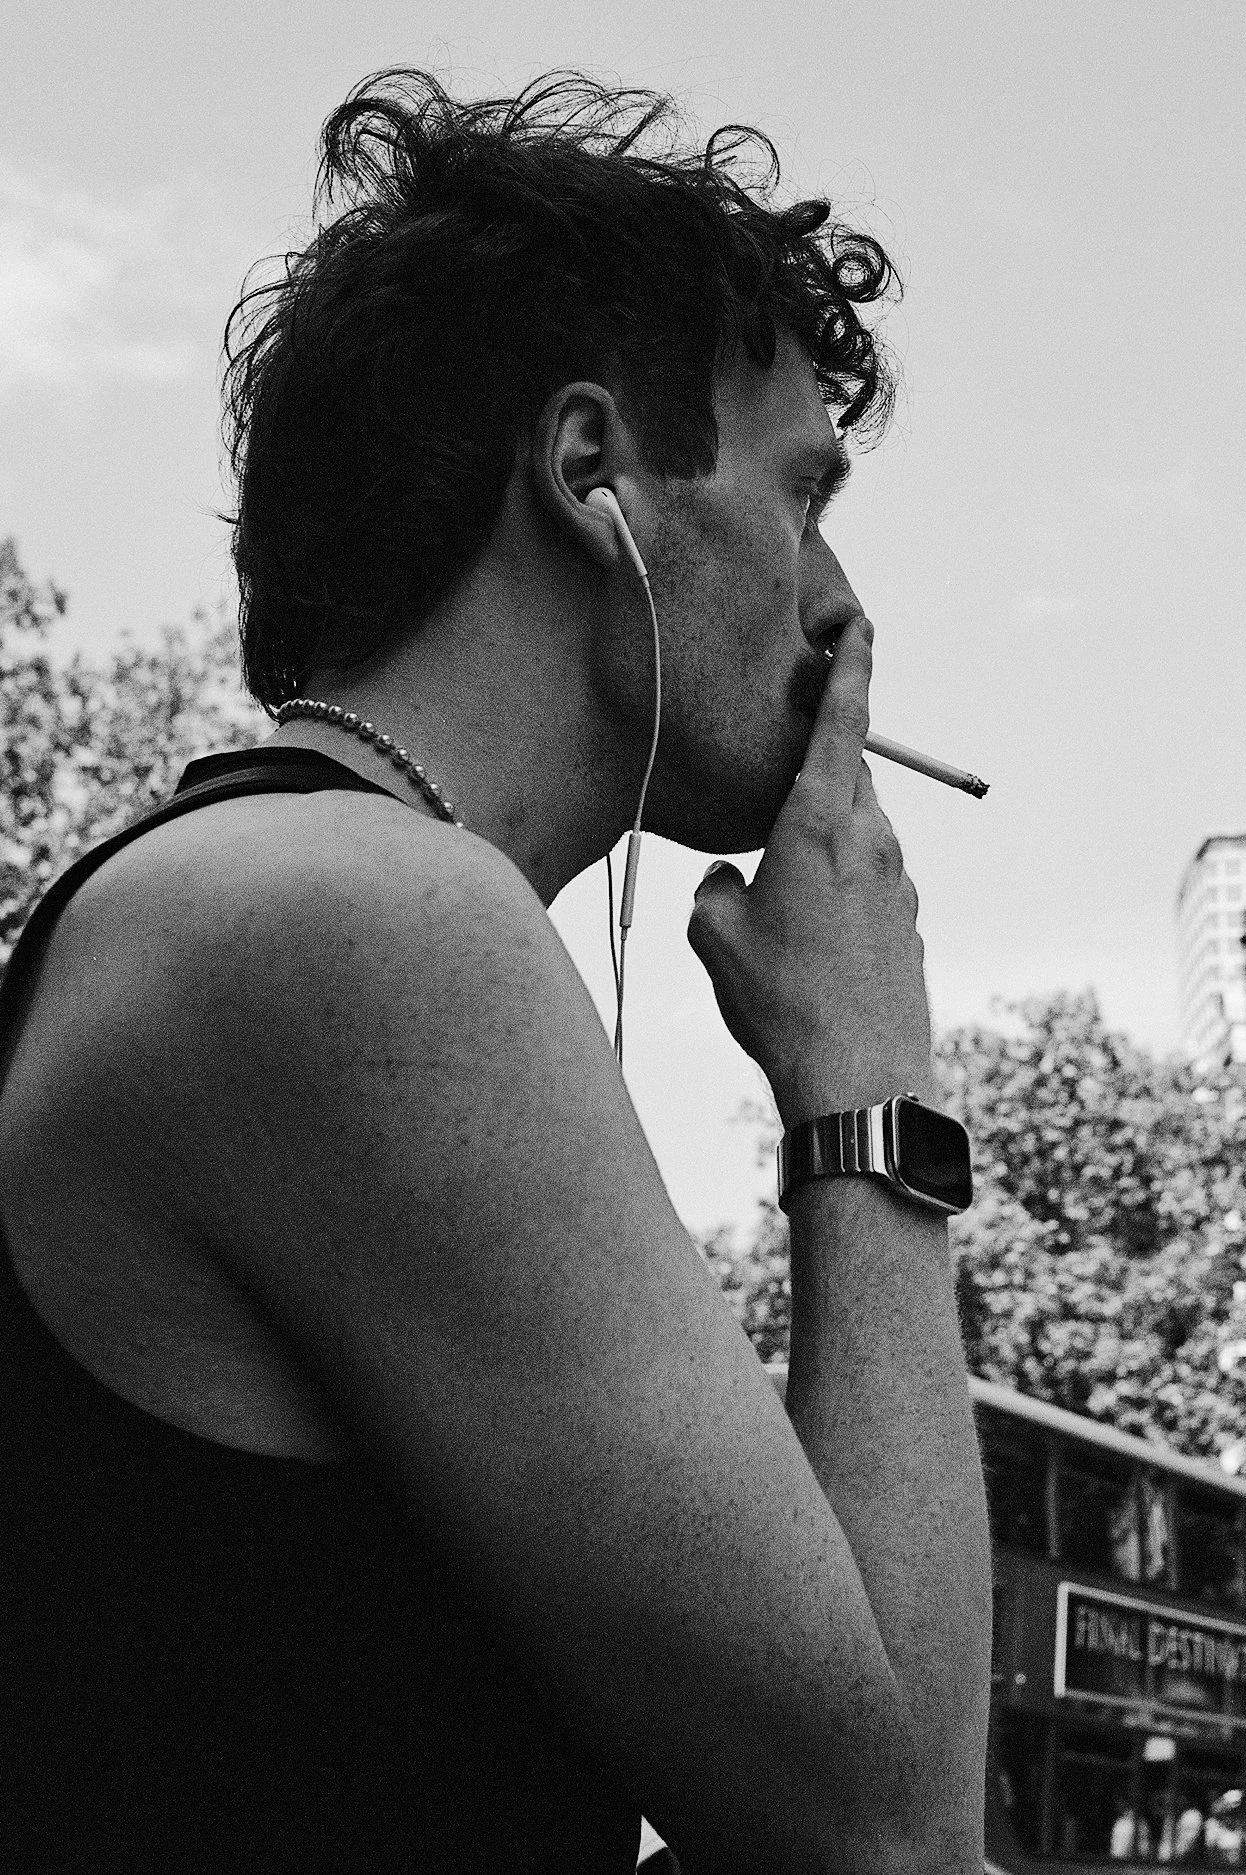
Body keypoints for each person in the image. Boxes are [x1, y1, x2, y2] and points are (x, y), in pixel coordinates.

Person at [0, 69, 991, 1873]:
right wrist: (869, 1080)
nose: (842, 603)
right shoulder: (354, 922)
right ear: (591, 469)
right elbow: (894, 1833)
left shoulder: (272, 896)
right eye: (803, 496)